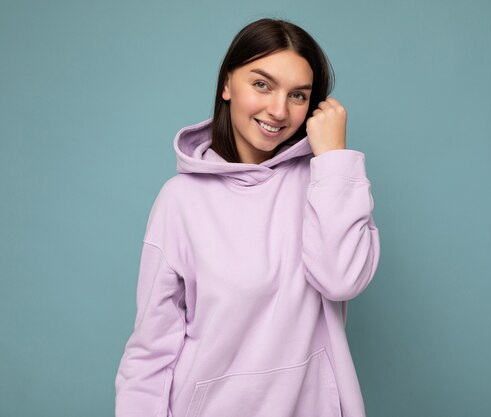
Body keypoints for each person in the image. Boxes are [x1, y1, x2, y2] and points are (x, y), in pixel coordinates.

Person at [114, 18, 381, 417]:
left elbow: (341, 279)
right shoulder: (180, 201)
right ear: (227, 85)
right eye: (262, 84)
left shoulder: (327, 184)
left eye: (298, 95)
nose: (278, 109)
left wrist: (334, 160)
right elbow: (151, 352)